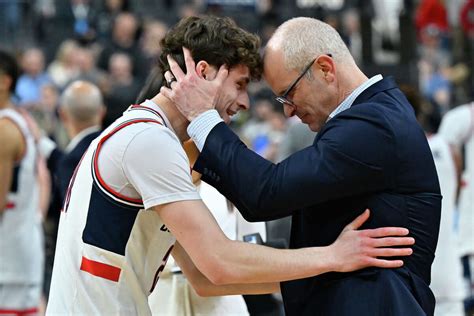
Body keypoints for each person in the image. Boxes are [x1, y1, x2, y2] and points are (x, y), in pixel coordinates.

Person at [46, 16, 414, 315]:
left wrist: (332, 271)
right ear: (203, 72)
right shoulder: (150, 141)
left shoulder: (152, 137)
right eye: (239, 85)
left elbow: (205, 277)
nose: (244, 103)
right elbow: (220, 261)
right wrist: (332, 256)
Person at [162, 17, 442, 315]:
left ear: (325, 69)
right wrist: (329, 255)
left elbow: (267, 192)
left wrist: (204, 117)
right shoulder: (371, 117)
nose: (288, 110)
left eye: (289, 92)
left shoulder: (374, 124)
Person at [0, 50, 44, 315]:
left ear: (5, 81)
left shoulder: (6, 128)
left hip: (9, 258)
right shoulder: (21, 120)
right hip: (19, 248)